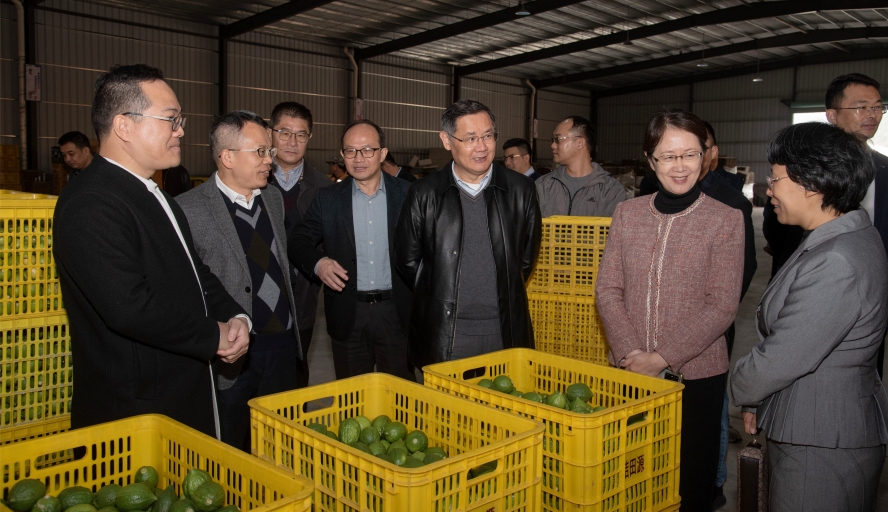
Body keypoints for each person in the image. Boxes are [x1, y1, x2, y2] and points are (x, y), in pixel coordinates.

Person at [53, 64, 250, 438]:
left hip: (181, 388)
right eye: (171, 119)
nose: (181, 130)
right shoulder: (91, 203)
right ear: (124, 126)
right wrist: (212, 335)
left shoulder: (158, 197)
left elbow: (197, 273)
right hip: (136, 408)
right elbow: (129, 307)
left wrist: (236, 316)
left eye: (180, 120)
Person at [731, 122, 888, 511]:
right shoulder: (839, 236)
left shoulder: (836, 260)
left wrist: (741, 384)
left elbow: (781, 357)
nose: (769, 189)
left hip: (821, 443)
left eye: (776, 178)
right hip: (814, 424)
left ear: (812, 184)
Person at [595, 108, 744, 512]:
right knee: (632, 474)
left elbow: (721, 306)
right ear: (650, 159)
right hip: (629, 371)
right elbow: (608, 289)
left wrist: (661, 358)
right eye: (668, 156)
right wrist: (632, 354)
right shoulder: (628, 214)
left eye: (690, 154)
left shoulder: (726, 220)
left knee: (690, 479)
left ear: (705, 156)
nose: (680, 166)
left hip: (696, 376)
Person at [176, 111, 303, 450]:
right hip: (232, 353)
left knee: (281, 444)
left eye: (269, 151)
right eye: (260, 152)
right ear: (227, 157)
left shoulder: (272, 198)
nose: (270, 160)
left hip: (282, 344)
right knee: (230, 445)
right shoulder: (187, 209)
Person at [394, 99, 542, 368]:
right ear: (447, 140)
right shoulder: (423, 193)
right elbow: (407, 259)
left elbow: (524, 260)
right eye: (471, 138)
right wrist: (439, 292)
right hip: (446, 333)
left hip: (503, 330)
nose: (482, 147)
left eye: (488, 136)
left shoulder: (522, 191)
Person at [289, 120, 414, 381]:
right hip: (348, 314)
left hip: (397, 314)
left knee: (401, 395)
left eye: (367, 150)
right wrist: (318, 263)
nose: (358, 158)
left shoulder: (409, 195)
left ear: (382, 153)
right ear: (342, 154)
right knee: (353, 396)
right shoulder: (328, 199)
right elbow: (297, 240)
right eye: (350, 151)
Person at [698, 122, 757, 510]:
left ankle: (715, 482)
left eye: (695, 149)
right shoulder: (656, 195)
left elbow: (745, 268)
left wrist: (712, 313)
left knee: (713, 404)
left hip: (712, 324)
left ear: (712, 152)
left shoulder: (732, 203)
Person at [826, 73, 888, 378]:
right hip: (823, 288)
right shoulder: (808, 167)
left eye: (877, 107)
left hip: (874, 290)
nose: (872, 115)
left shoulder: (884, 168)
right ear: (832, 115)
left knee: (868, 371)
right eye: (861, 107)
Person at [266, 101, 331, 387]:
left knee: (296, 373)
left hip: (303, 297)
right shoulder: (252, 181)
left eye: (301, 134)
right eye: (284, 132)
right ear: (270, 132)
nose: (292, 142)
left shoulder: (324, 188)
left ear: (309, 138)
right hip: (257, 296)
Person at [535, 116, 625, 217]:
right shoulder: (543, 186)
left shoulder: (610, 190)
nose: (553, 145)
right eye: (553, 140)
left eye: (558, 139)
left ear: (580, 142)